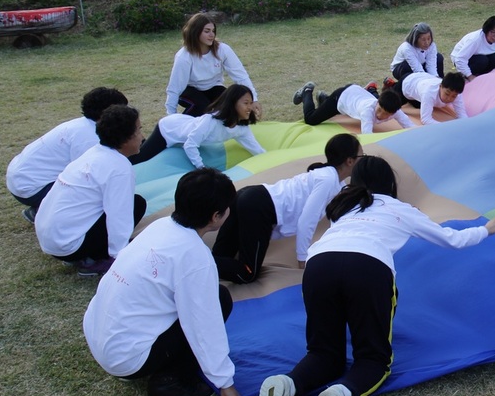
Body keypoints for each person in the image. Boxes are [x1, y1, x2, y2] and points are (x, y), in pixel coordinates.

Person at [248, 156, 495, 396]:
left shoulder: (343, 208)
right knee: (374, 359)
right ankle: (345, 393)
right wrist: (487, 229)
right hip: (368, 268)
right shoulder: (401, 209)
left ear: (355, 182)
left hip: (319, 265)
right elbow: (452, 239)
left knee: (324, 353)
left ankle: (287, 385)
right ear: (390, 182)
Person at [83, 168, 241, 396]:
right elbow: (203, 324)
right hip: (125, 356)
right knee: (219, 299)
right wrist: (225, 381)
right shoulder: (195, 257)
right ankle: (169, 383)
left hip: (100, 337)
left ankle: (139, 362)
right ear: (216, 216)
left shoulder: (159, 227)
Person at [211, 134, 361, 283]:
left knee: (220, 255)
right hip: (257, 206)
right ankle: (193, 262)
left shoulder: (333, 180)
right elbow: (306, 221)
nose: (363, 160)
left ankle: (196, 262)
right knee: (247, 273)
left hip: (250, 196)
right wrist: (302, 258)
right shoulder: (327, 180)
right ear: (349, 161)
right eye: (361, 156)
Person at [34, 105, 147, 276]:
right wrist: (121, 258)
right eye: (139, 131)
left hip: (51, 239)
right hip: (69, 245)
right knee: (136, 204)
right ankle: (95, 258)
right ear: (125, 139)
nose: (142, 137)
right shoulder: (119, 168)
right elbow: (119, 215)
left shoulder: (92, 153)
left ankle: (85, 251)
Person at [7, 87, 128, 223]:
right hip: (33, 188)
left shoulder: (81, 124)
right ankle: (44, 212)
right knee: (95, 194)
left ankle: (42, 208)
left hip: (22, 180)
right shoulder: (90, 137)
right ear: (106, 114)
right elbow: (89, 176)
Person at [131, 84, 264, 168]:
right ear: (233, 103)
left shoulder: (241, 128)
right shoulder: (211, 121)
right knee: (138, 159)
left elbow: (256, 149)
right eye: (246, 103)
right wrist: (201, 168)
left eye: (251, 103)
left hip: (186, 126)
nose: (250, 107)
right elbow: (190, 144)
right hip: (169, 129)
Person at [165, 12, 262, 118]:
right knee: (203, 107)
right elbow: (174, 88)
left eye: (213, 31)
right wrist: (171, 116)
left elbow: (240, 75)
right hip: (190, 90)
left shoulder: (223, 49)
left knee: (233, 106)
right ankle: (183, 127)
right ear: (195, 32)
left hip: (214, 87)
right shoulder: (184, 56)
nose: (212, 35)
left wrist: (253, 100)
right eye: (207, 31)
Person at [292, 82, 414, 133]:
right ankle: (307, 91)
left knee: (327, 108)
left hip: (355, 93)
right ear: (378, 103)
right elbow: (367, 136)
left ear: (393, 113)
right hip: (340, 98)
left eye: (386, 114)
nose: (380, 115)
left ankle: (324, 99)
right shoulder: (368, 111)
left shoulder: (396, 111)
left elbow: (410, 126)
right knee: (310, 119)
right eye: (379, 109)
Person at [392, 71, 468, 126]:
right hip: (407, 83)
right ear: (440, 86)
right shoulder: (429, 93)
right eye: (447, 94)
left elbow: (462, 114)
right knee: (391, 106)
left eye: (453, 96)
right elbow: (425, 120)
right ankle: (391, 85)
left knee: (417, 105)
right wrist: (446, 127)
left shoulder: (456, 92)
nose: (449, 98)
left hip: (423, 81)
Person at [451, 16, 495, 80]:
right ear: (487, 30)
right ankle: (465, 77)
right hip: (461, 59)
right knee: (482, 60)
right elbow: (460, 59)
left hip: (482, 57)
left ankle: (481, 76)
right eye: (493, 32)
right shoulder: (475, 40)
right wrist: (469, 76)